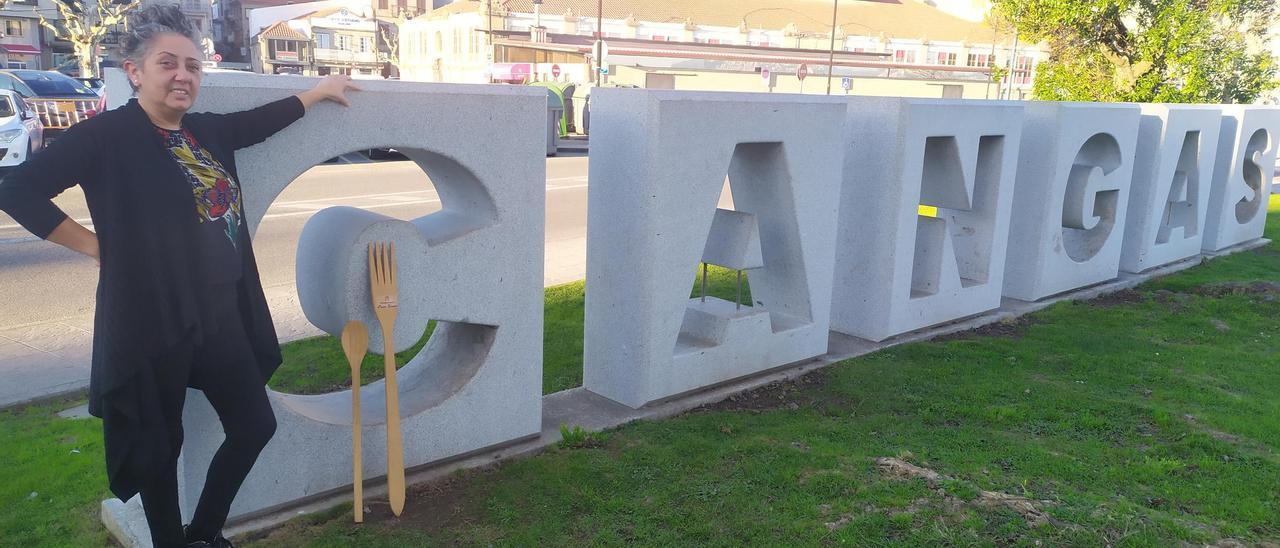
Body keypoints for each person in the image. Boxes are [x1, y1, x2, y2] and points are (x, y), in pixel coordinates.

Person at [0, 5, 359, 547]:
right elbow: (17, 190)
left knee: (254, 425)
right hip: (150, 317)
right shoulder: (107, 136)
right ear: (135, 71)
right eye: (168, 63)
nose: (183, 75)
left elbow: (259, 122)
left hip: (219, 313)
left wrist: (316, 92)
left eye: (193, 65)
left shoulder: (205, 132)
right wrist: (99, 248)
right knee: (156, 445)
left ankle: (204, 533)